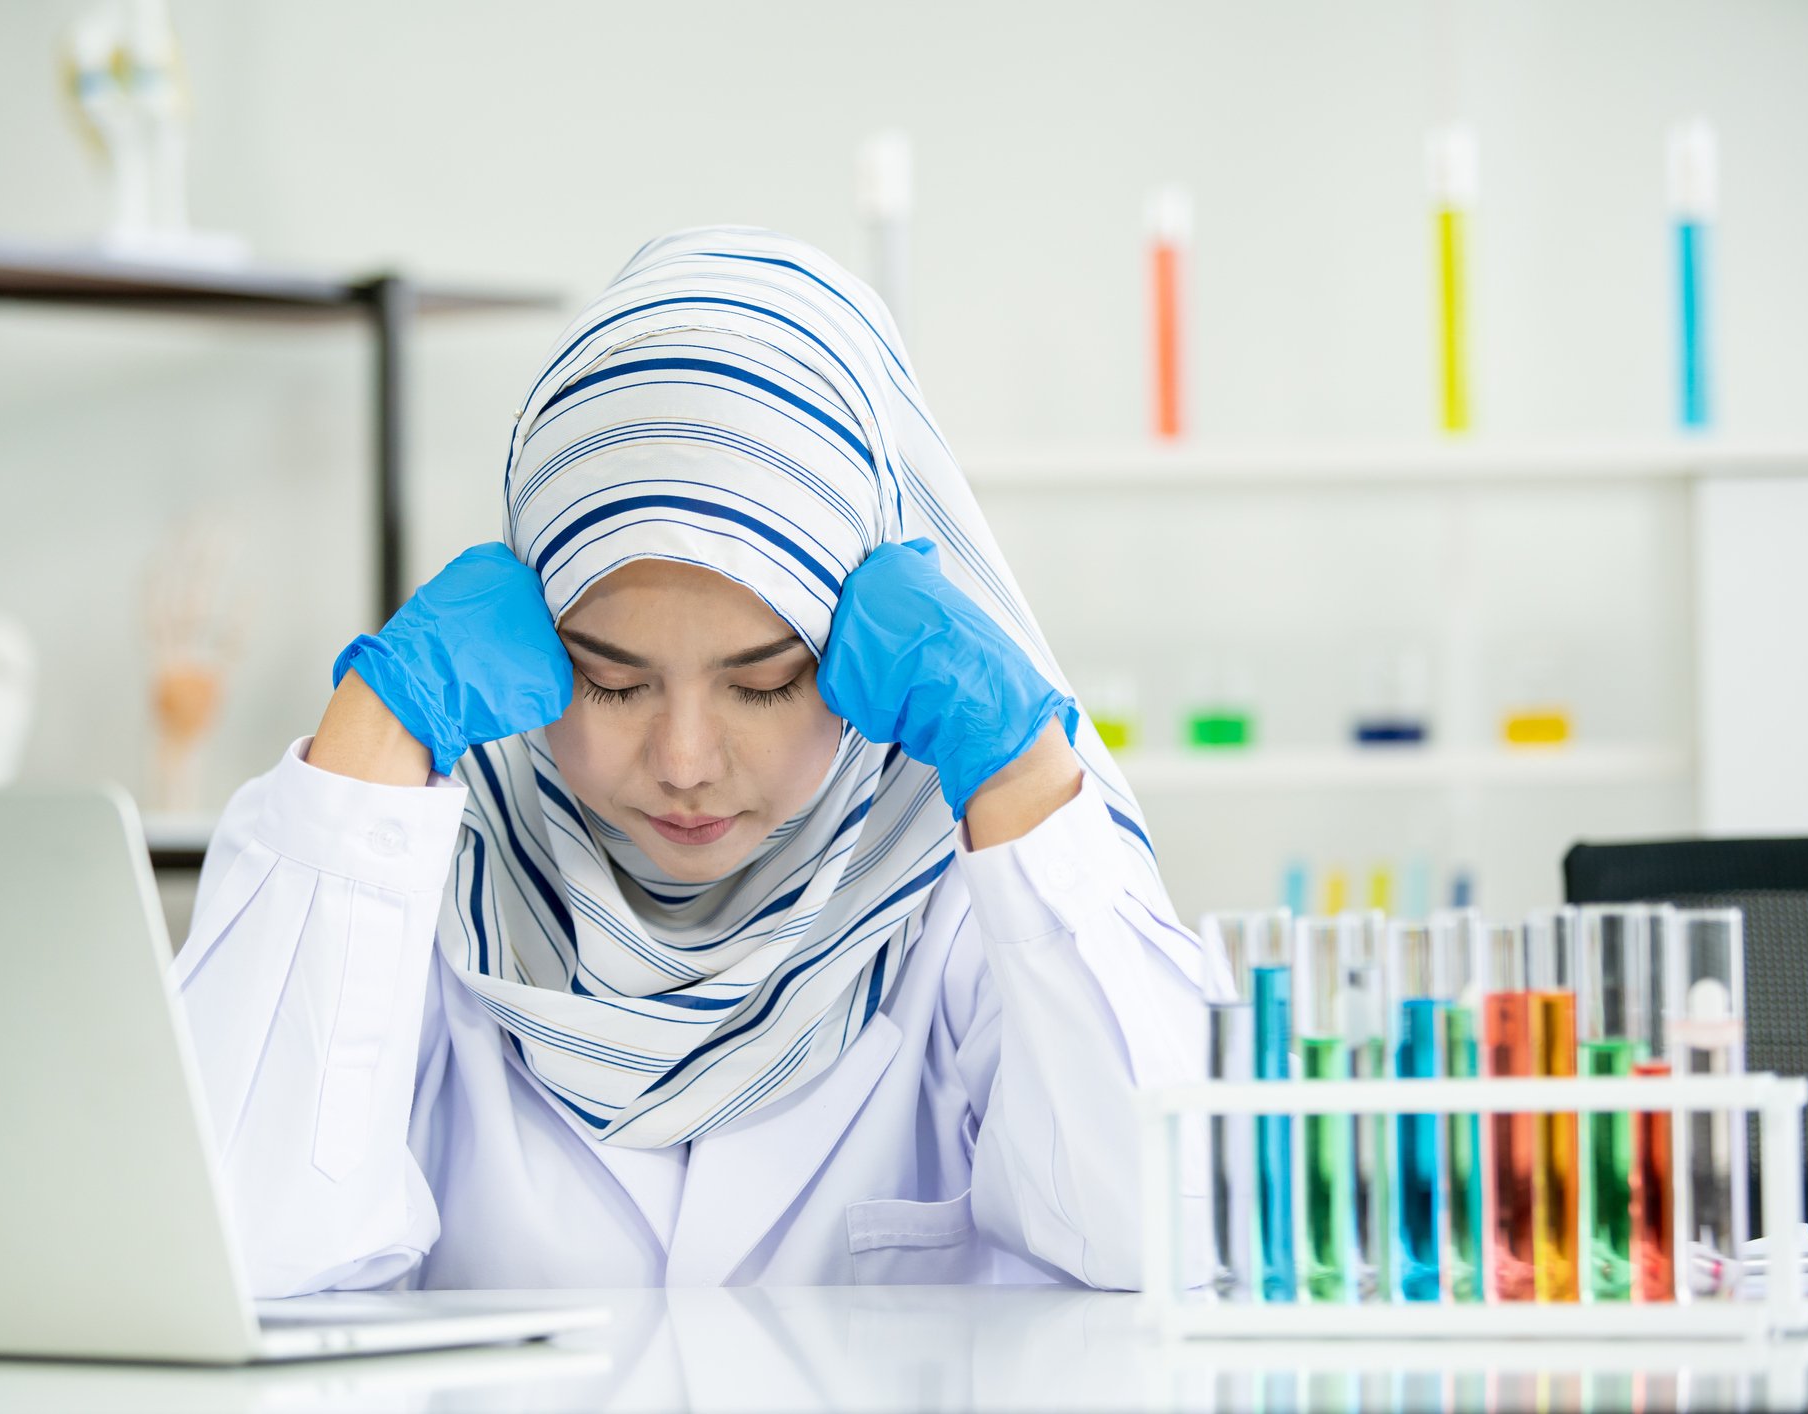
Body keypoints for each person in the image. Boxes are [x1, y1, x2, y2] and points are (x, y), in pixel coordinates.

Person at [175, 227, 1205, 1296]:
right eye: (611, 679)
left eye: (764, 681)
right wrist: (372, 736)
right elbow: (229, 1254)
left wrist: (1023, 775)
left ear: (868, 647)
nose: (682, 761)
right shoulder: (425, 890)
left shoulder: (957, 900)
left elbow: (1162, 1240)